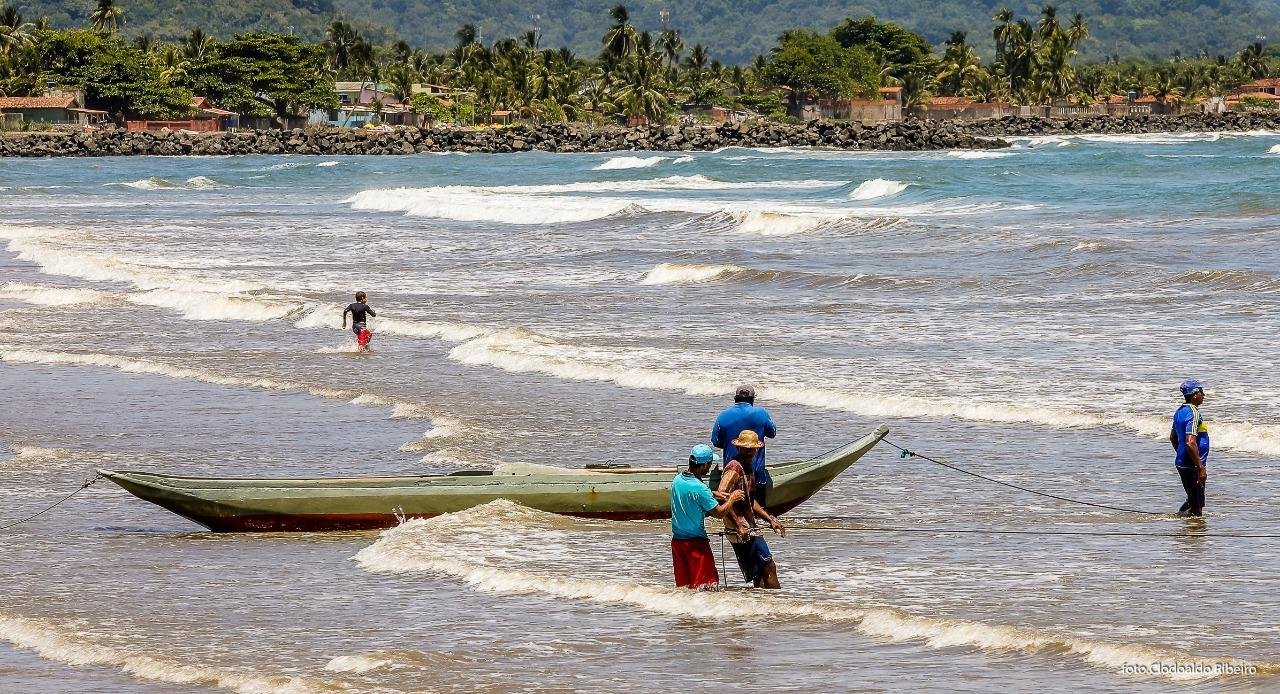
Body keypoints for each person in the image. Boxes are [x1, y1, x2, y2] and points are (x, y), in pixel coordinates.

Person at [716, 430, 785, 589]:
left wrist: (770, 520)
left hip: (749, 526)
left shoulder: (748, 467)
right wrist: (739, 524)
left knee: (760, 572)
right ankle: (779, 602)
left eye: (751, 449)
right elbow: (721, 496)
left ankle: (763, 608)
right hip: (740, 529)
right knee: (768, 566)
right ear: (738, 448)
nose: (748, 452)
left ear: (756, 450)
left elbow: (750, 501)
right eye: (745, 449)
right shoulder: (734, 468)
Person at [671, 444, 744, 589]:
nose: (709, 468)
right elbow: (719, 513)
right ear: (704, 464)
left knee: (685, 589)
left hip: (678, 543)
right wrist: (732, 498)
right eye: (709, 464)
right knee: (707, 587)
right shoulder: (701, 489)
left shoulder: (677, 480)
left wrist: (714, 493)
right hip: (696, 544)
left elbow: (693, 493)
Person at [711, 385, 777, 507]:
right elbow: (772, 433)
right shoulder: (761, 413)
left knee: (734, 510)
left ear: (735, 398)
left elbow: (716, 442)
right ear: (752, 400)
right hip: (757, 475)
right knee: (755, 511)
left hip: (731, 473)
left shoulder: (722, 416)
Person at [1169, 378, 1209, 517]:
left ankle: (1179, 519)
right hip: (1192, 465)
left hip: (1183, 462)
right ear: (1194, 395)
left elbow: (1173, 437)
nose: (1203, 395)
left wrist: (1182, 454)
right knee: (1197, 508)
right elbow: (1190, 442)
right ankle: (1192, 535)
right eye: (1201, 392)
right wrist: (1200, 467)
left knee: (1194, 500)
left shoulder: (1179, 411)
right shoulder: (1194, 413)